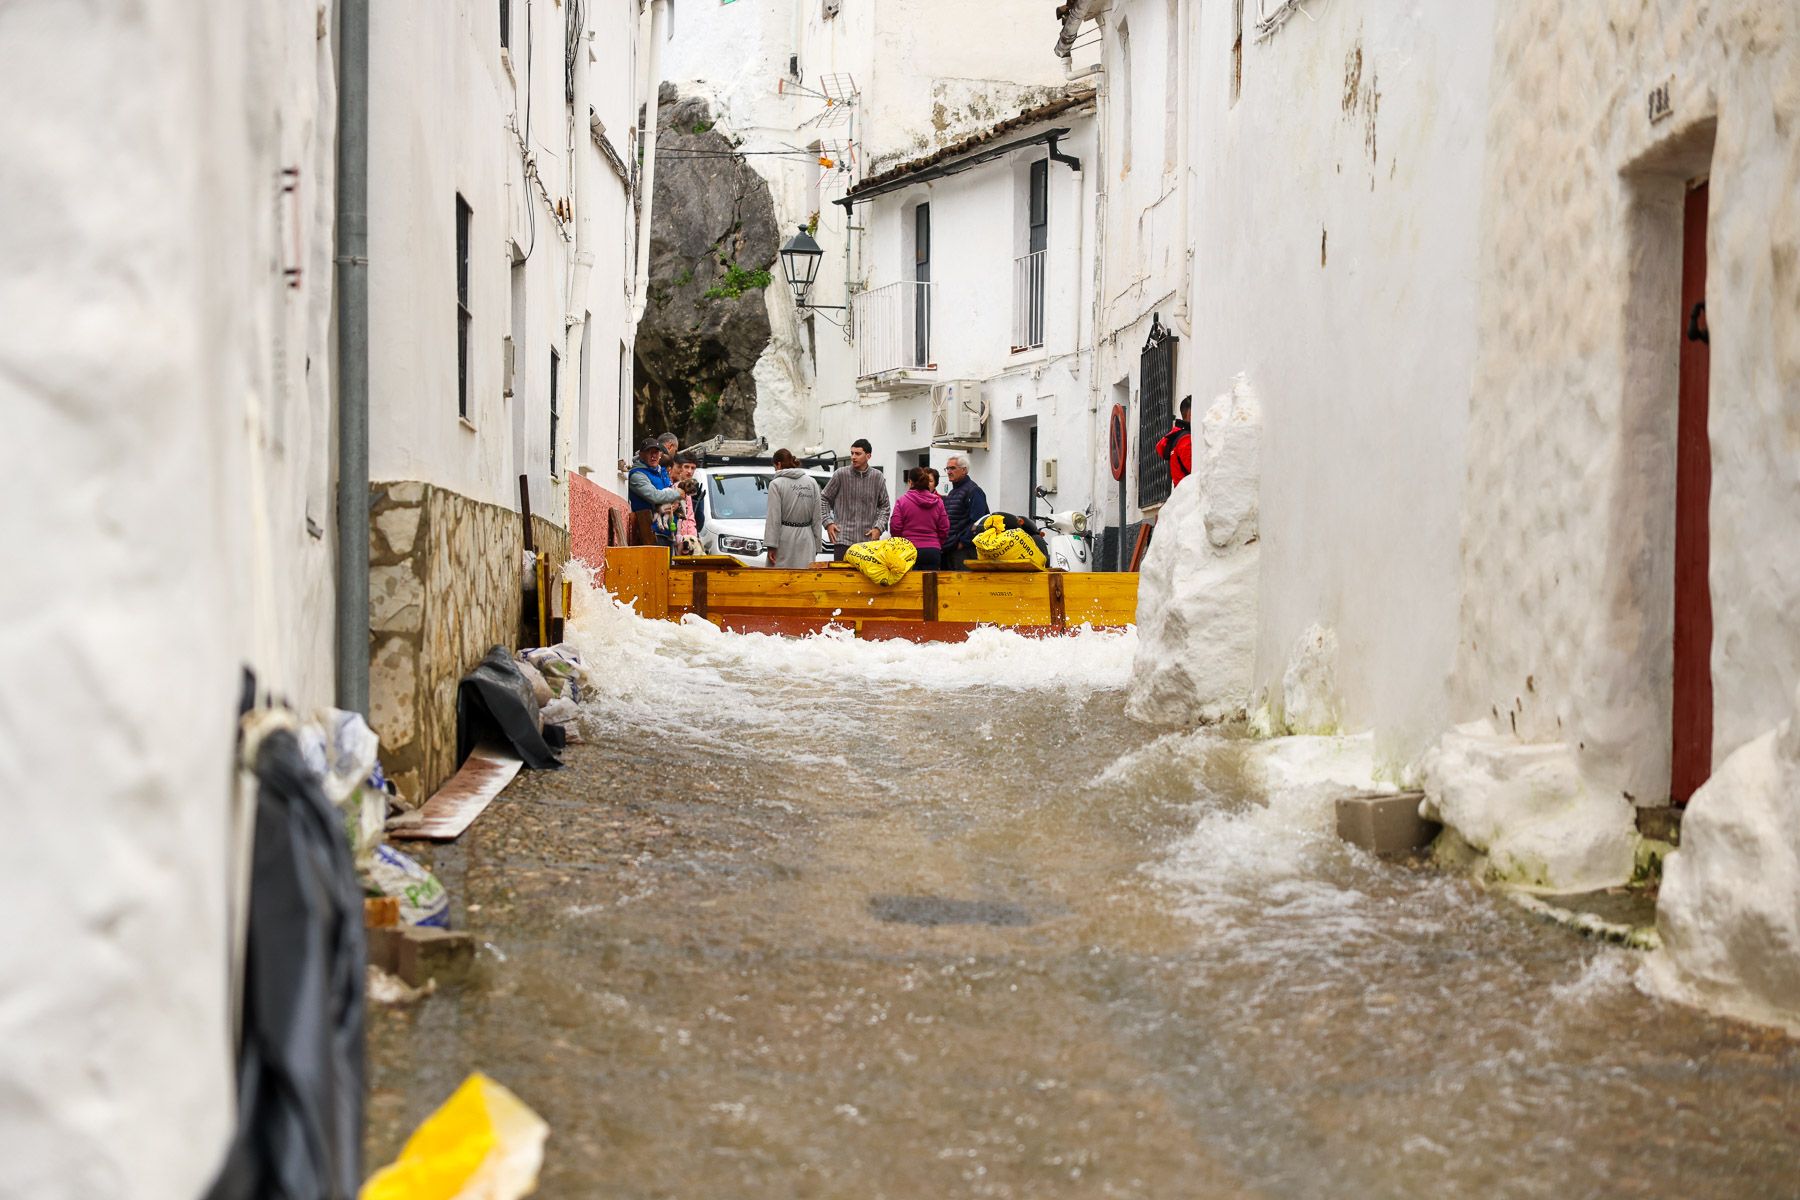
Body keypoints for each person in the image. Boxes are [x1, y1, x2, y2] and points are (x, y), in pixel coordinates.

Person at [820, 438, 890, 561]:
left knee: (865, 580)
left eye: (858, 454)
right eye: (852, 453)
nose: (853, 457)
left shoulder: (877, 477)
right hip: (843, 540)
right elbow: (823, 498)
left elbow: (885, 506)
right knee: (842, 579)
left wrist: (878, 528)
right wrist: (828, 522)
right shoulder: (840, 474)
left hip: (868, 542)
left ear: (868, 456)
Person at [763, 448, 824, 568]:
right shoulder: (812, 482)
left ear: (779, 464)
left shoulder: (776, 484)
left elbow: (773, 518)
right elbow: (817, 517)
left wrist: (771, 545)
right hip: (807, 538)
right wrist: (817, 545)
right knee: (804, 580)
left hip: (784, 538)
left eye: (774, 466)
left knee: (781, 580)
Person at [889, 467, 951, 571]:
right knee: (930, 585)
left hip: (908, 550)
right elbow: (944, 528)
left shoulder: (902, 501)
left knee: (911, 586)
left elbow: (895, 527)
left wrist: (901, 544)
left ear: (910, 482)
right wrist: (937, 543)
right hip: (932, 550)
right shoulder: (938, 502)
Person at [627, 439, 682, 546]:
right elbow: (655, 496)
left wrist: (676, 503)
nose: (654, 456)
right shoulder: (637, 474)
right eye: (649, 452)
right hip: (651, 531)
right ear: (642, 454)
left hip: (668, 531)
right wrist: (678, 494)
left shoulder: (661, 471)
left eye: (656, 452)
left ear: (660, 454)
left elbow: (669, 491)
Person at [942, 454, 990, 571]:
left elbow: (979, 522)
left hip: (964, 551)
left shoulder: (974, 491)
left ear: (964, 470)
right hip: (950, 548)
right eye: (947, 468)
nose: (948, 472)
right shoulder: (953, 493)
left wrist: (963, 542)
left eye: (952, 468)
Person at [672, 452, 707, 555]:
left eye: (693, 468)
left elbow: (696, 521)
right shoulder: (673, 487)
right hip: (676, 538)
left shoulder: (692, 490)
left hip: (689, 542)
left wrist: (697, 502)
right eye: (686, 467)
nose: (689, 471)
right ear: (679, 468)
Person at [1157, 396, 1193, 489]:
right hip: (1188, 494)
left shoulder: (1177, 437)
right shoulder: (1185, 439)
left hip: (1182, 493)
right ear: (1190, 414)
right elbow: (1194, 470)